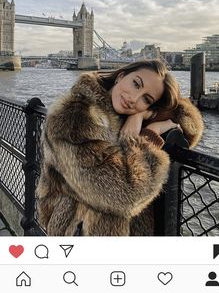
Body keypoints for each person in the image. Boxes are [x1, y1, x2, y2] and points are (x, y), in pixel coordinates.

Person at [36, 59, 203, 236]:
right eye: (136, 84)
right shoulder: (74, 118)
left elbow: (190, 128)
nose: (133, 98)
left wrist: (141, 115)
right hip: (78, 230)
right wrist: (150, 135)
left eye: (146, 99)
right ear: (120, 76)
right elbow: (126, 195)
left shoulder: (123, 113)